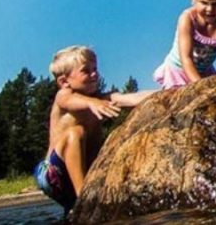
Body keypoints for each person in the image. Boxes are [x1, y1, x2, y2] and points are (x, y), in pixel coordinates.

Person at [33, 45, 153, 213]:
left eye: (95, 69)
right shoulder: (64, 95)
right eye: (86, 71)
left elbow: (131, 98)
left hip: (82, 171)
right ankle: (84, 198)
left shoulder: (101, 99)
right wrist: (92, 103)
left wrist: (169, 92)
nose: (94, 74)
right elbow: (71, 101)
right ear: (64, 82)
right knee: (76, 132)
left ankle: (77, 207)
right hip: (53, 173)